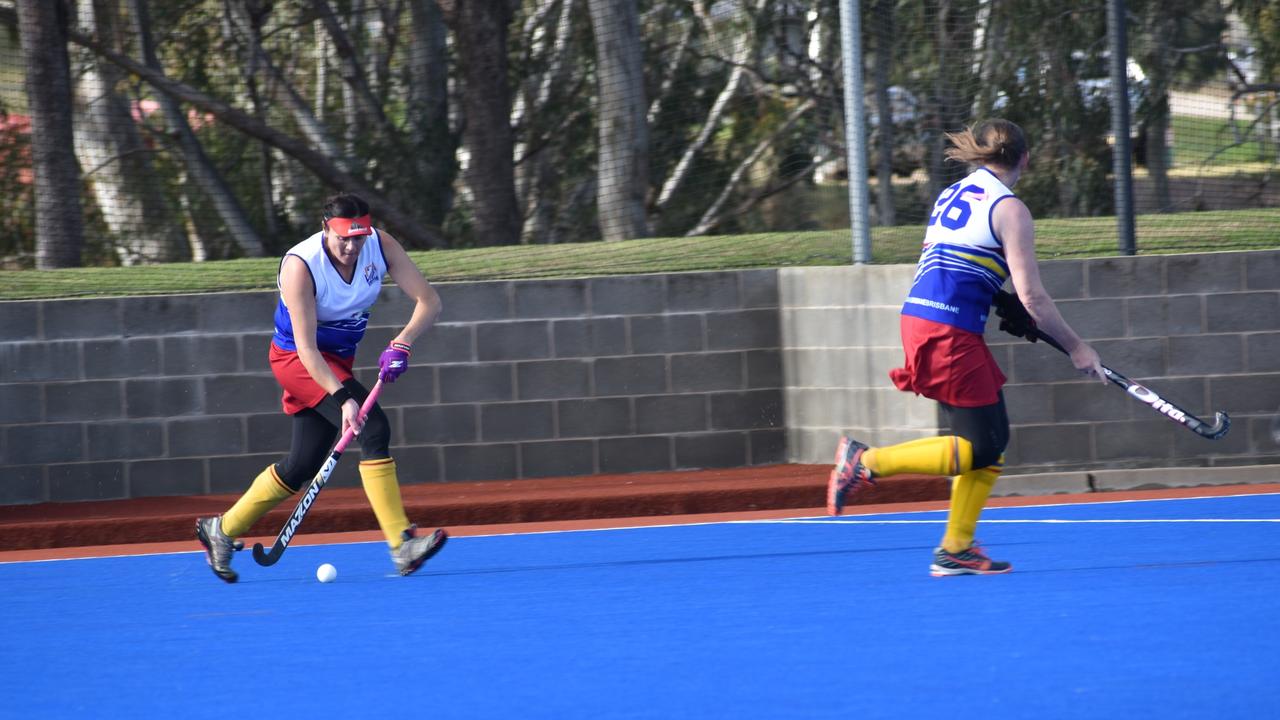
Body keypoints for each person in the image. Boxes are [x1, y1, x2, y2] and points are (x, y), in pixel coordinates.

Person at [827, 119, 1106, 576]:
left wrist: (1002, 302)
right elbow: (1034, 296)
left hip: (926, 318)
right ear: (1026, 159)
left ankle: (956, 549)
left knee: (989, 442)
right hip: (947, 328)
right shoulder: (1011, 209)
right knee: (982, 445)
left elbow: (958, 260)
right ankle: (865, 463)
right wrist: (1077, 347)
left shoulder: (954, 193)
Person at [196, 192, 448, 583]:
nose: (351, 247)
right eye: (342, 238)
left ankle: (221, 530)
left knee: (301, 466)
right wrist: (344, 398)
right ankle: (402, 545)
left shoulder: (380, 245)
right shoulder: (301, 266)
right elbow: (307, 350)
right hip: (297, 360)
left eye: (358, 238)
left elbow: (429, 301)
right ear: (325, 229)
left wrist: (403, 341)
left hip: (336, 362)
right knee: (374, 427)